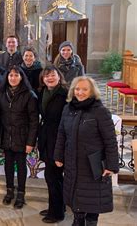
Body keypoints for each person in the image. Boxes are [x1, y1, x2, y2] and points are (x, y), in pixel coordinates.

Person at [54, 76, 119, 226]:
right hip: (72, 162)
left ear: (92, 91)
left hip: (93, 165)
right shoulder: (68, 109)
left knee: (93, 200)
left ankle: (91, 223)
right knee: (76, 196)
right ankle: (77, 221)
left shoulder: (100, 111)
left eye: (84, 89)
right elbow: (61, 134)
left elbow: (110, 141)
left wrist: (110, 165)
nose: (80, 92)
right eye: (77, 89)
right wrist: (58, 155)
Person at [0, 65, 39, 209]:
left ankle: (21, 194)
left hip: (22, 136)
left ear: (21, 77)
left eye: (16, 75)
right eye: (10, 75)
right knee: (8, 165)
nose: (13, 78)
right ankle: (9, 191)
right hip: (6, 134)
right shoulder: (1, 93)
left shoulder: (29, 95)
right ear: (7, 77)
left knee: (21, 166)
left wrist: (30, 141)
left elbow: (34, 120)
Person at [37, 66, 68, 223]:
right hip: (47, 138)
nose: (49, 78)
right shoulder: (43, 92)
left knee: (53, 177)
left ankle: (57, 214)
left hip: (59, 140)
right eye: (46, 76)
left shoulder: (65, 94)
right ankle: (57, 207)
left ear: (59, 76)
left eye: (52, 75)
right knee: (53, 177)